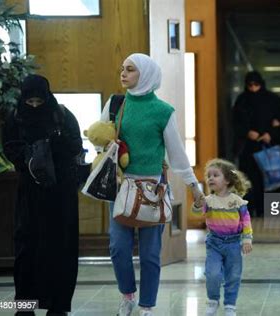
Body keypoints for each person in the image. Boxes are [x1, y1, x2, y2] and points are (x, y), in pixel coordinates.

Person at [100, 53, 204, 316]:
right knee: (118, 249)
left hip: (152, 191)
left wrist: (194, 186)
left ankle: (147, 304)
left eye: (130, 70)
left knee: (149, 254)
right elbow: (101, 139)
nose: (123, 74)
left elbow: (177, 152)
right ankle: (127, 295)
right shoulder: (115, 105)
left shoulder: (162, 111)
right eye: (122, 68)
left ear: (145, 74)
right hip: (121, 187)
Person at [3, 74, 83, 316]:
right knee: (27, 250)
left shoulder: (62, 115)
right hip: (30, 194)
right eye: (31, 103)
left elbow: (76, 146)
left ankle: (58, 306)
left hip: (61, 195)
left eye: (40, 102)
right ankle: (25, 306)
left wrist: (56, 146)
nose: (35, 106)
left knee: (61, 250)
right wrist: (31, 157)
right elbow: (10, 148)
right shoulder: (15, 118)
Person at [192, 158, 253, 316]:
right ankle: (213, 300)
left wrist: (247, 239)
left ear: (226, 180)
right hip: (214, 243)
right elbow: (197, 211)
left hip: (233, 244)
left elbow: (246, 221)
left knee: (233, 275)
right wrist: (198, 204)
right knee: (212, 274)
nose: (210, 178)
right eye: (209, 175)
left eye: (215, 175)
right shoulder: (208, 201)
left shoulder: (238, 202)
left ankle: (230, 305)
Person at [232, 71, 280, 217]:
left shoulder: (272, 99)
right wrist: (247, 132)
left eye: (256, 85)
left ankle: (266, 211)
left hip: (268, 147)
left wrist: (270, 134)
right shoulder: (242, 100)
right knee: (248, 181)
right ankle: (250, 212)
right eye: (250, 85)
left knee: (270, 180)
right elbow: (236, 123)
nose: (254, 89)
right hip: (248, 148)